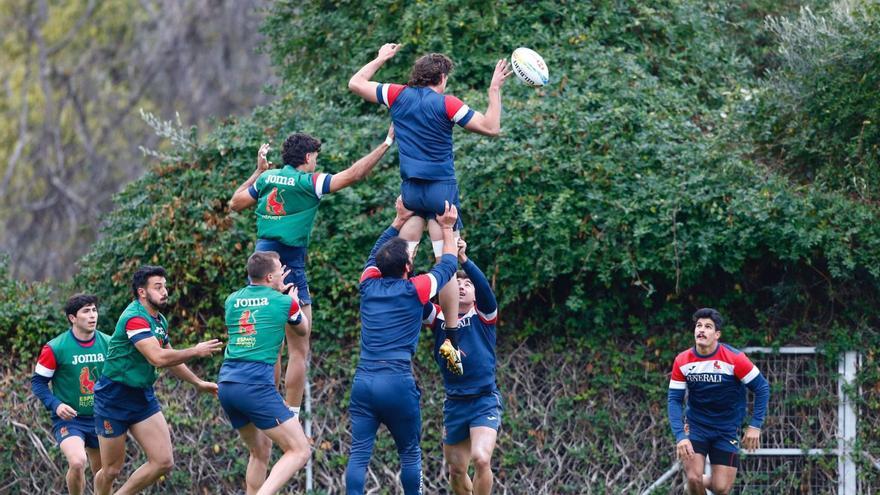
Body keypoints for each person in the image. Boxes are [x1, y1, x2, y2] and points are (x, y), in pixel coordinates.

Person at [348, 44, 512, 375]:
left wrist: (380, 58)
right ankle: (450, 336)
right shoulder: (445, 103)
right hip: (441, 195)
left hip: (410, 195)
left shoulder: (398, 95)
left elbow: (356, 83)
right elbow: (491, 127)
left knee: (399, 260)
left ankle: (391, 319)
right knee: (445, 260)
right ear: (441, 78)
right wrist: (494, 89)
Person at [229, 126, 395, 413]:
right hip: (287, 265)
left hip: (259, 266)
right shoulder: (309, 182)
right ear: (307, 157)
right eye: (315, 157)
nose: (316, 162)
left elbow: (235, 202)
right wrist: (387, 143)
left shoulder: (268, 177)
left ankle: (267, 405)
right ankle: (290, 414)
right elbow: (353, 174)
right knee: (299, 347)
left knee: (271, 343)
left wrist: (257, 172)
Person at [344, 197, 458, 494]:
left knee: (358, 455)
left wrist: (397, 221)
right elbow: (448, 264)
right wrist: (447, 229)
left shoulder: (368, 283)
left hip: (364, 380)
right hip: (396, 381)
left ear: (380, 267)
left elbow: (374, 254)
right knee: (409, 453)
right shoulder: (416, 288)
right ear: (409, 265)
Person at [92, 265, 224, 495]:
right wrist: (195, 350)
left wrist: (198, 382)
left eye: (165, 286)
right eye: (158, 287)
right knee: (111, 470)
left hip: (141, 395)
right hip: (113, 398)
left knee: (163, 461)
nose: (165, 291)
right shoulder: (134, 318)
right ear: (142, 292)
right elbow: (158, 358)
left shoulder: (159, 320)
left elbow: (171, 358)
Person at [218, 251, 312, 495]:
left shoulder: (231, 300)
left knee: (260, 452)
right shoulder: (283, 302)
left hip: (227, 384)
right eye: (280, 269)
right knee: (300, 449)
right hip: (255, 385)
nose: (283, 272)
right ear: (270, 276)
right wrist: (291, 300)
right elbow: (303, 330)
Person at [423, 238, 501, 495]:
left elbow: (485, 290)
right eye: (457, 283)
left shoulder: (484, 315)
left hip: (483, 400)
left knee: (481, 459)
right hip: (455, 402)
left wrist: (463, 258)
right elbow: (416, 296)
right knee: (457, 471)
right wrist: (440, 262)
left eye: (468, 284)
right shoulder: (439, 318)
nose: (463, 287)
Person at [667, 308, 771, 495]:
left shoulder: (735, 359)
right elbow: (674, 400)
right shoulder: (682, 361)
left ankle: (694, 489)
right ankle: (693, 485)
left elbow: (762, 388)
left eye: (708, 327)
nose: (701, 330)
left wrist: (755, 426)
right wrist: (680, 436)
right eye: (698, 326)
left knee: (721, 488)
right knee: (693, 477)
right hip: (696, 426)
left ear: (717, 335)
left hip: (726, 428)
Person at [31, 294, 111, 495]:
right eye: (86, 311)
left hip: (102, 417)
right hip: (70, 420)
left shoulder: (110, 343)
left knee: (104, 474)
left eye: (94, 310)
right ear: (72, 318)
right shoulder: (55, 347)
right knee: (77, 462)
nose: (92, 315)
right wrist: (56, 404)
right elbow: (38, 382)